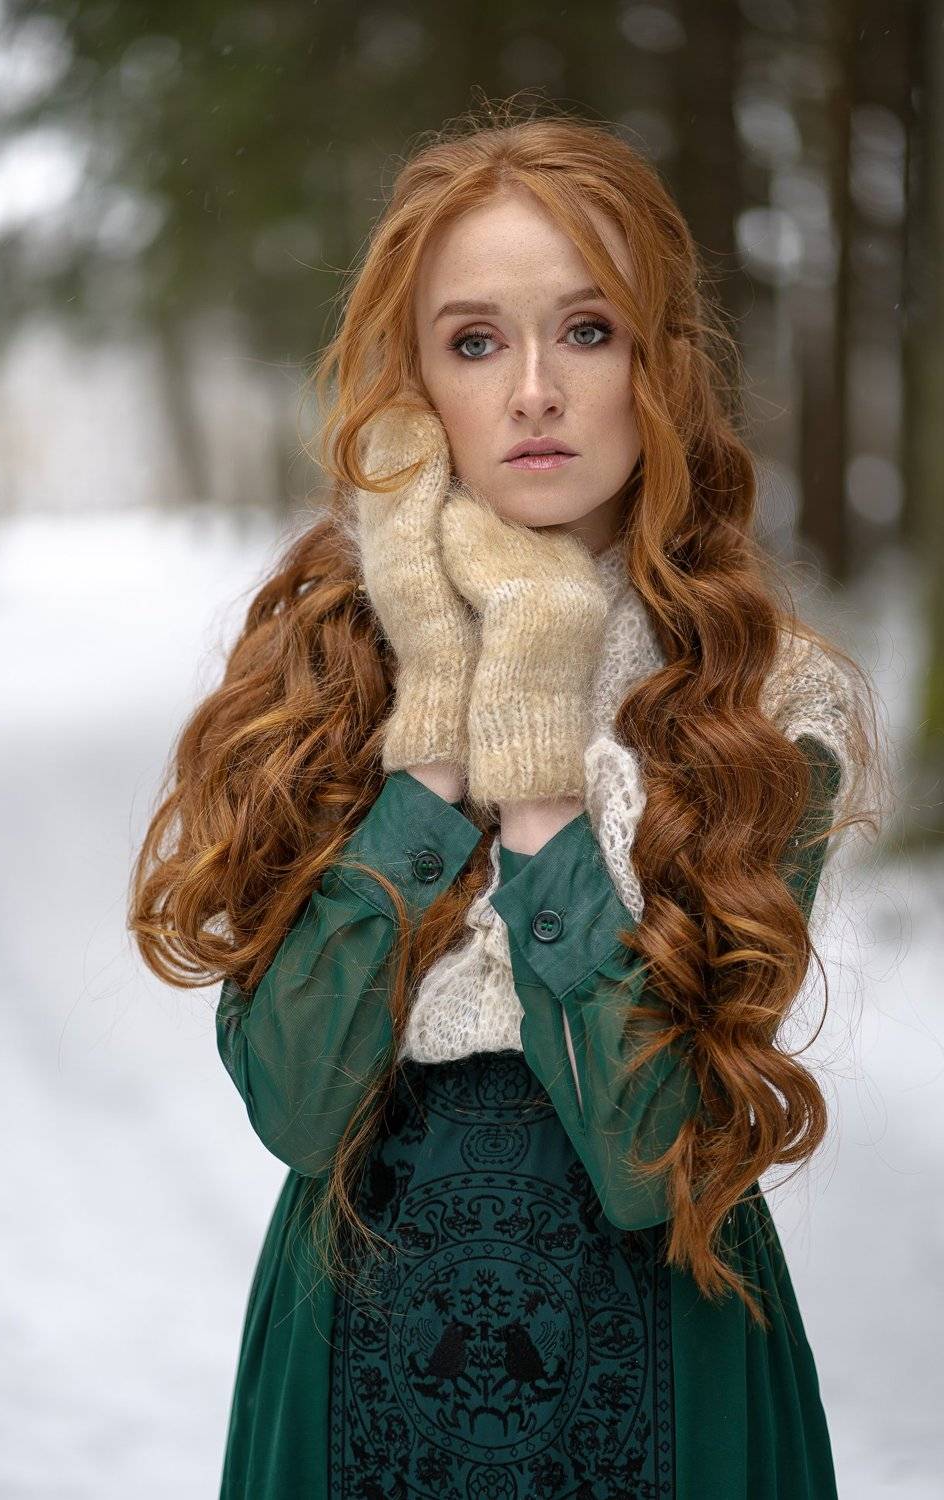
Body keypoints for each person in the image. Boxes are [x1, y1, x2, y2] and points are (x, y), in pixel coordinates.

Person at [129, 101, 885, 1500]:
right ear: (418, 386)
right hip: (353, 1380)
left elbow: (651, 1152)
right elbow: (300, 1105)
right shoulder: (323, 671)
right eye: (476, 341)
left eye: (585, 331)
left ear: (657, 368)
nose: (533, 389)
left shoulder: (764, 706)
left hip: (665, 1380)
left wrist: (536, 780)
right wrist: (428, 748)